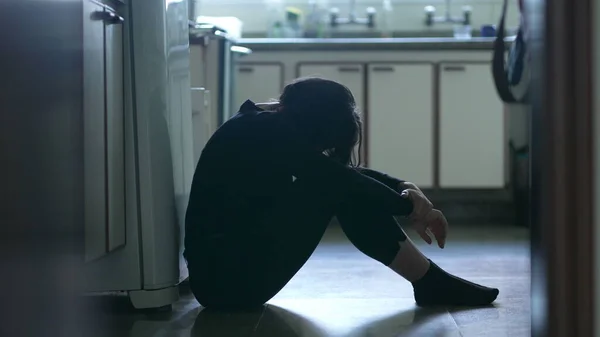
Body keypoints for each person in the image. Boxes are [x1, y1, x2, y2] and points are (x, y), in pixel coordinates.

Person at [184, 77, 499, 310]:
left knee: (337, 184)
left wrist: (406, 188)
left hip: (227, 273)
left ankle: (430, 282)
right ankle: (431, 282)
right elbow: (339, 178)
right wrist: (412, 210)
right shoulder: (268, 133)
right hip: (228, 287)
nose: (324, 150)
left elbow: (343, 175)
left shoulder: (263, 123)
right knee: (335, 186)